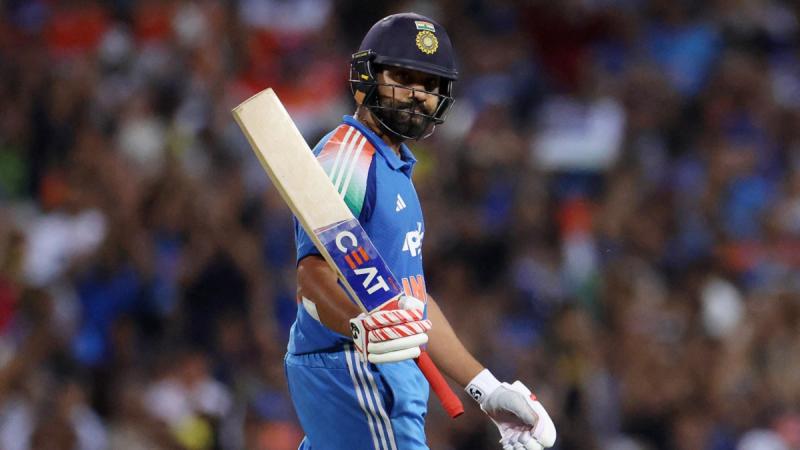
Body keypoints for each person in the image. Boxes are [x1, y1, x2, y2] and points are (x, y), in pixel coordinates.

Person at [285, 12, 557, 450]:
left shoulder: (393, 166)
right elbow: (313, 278)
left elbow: (409, 300)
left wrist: (486, 388)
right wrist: (361, 327)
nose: (418, 95)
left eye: (430, 85)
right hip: (355, 366)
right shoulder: (347, 158)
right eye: (403, 78)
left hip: (377, 368)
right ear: (367, 76)